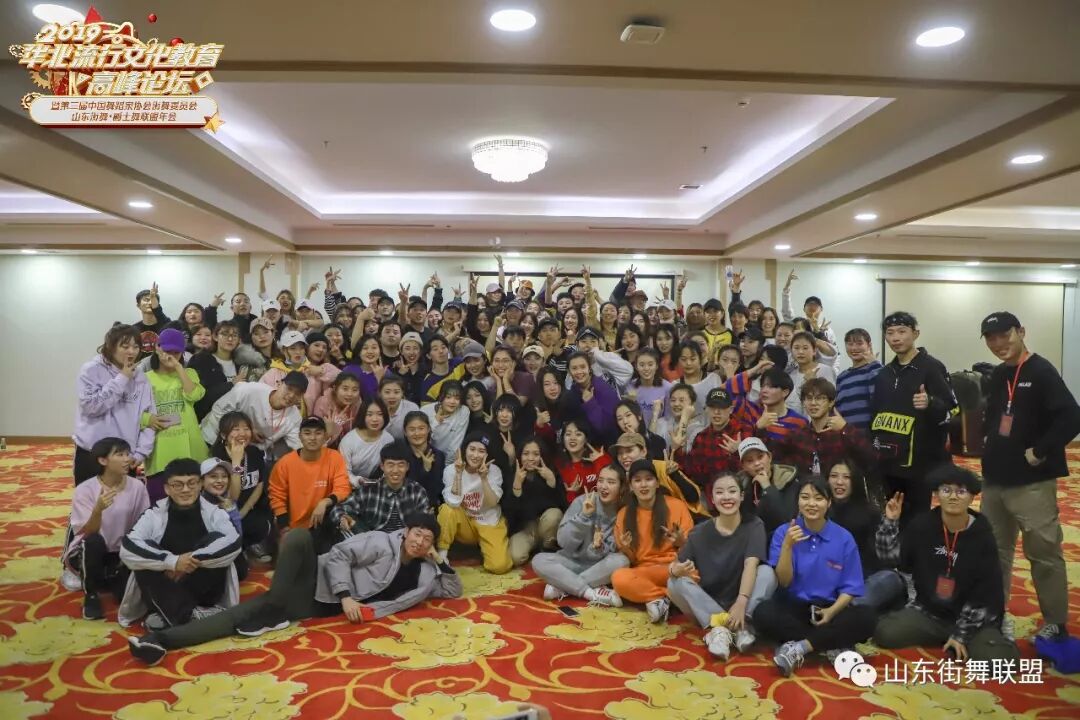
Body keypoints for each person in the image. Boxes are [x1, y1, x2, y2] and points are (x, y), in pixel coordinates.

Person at [128, 513, 461, 665]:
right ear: (406, 532)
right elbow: (339, 555)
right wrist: (346, 596)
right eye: (417, 533)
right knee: (300, 537)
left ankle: (159, 641)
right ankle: (274, 606)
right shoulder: (381, 542)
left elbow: (452, 589)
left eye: (427, 539)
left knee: (237, 617)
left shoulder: (424, 573)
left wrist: (439, 560)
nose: (420, 541)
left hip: (316, 604)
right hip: (315, 575)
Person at [978, 312, 1080, 641]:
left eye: (1004, 335)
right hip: (995, 482)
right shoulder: (998, 375)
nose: (998, 344)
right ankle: (995, 614)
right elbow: (995, 417)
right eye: (991, 338)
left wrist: (1041, 450)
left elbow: (1072, 416)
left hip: (1031, 483)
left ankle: (1055, 622)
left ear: (1021, 332)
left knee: (1043, 553)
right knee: (994, 552)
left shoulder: (1041, 371)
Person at [873, 465, 1021, 664]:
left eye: (961, 492)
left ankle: (970, 639)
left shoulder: (982, 535)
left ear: (972, 497)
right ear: (937, 494)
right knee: (885, 633)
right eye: (946, 490)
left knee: (1001, 661)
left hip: (973, 617)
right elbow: (891, 559)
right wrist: (890, 522)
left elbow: (984, 595)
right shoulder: (923, 525)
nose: (953, 497)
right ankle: (945, 637)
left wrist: (961, 634)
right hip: (932, 612)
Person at [752, 476, 877, 676]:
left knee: (867, 617)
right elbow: (784, 581)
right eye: (805, 497)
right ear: (798, 501)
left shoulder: (843, 538)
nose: (811, 503)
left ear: (828, 503)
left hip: (829, 609)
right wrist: (787, 546)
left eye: (818, 498)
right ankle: (830, 642)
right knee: (762, 613)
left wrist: (831, 612)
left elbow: (851, 587)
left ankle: (801, 647)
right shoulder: (784, 532)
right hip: (794, 607)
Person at [118, 458, 242, 630]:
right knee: (144, 555)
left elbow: (234, 542)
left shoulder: (215, 512)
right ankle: (189, 616)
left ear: (200, 485)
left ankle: (170, 615)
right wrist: (172, 562)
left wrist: (187, 562)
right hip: (166, 587)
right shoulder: (153, 514)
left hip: (202, 587)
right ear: (167, 488)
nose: (185, 490)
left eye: (191, 483)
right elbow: (128, 548)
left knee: (216, 539)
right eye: (177, 485)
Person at [666, 472, 777, 660]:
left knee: (767, 572)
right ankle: (729, 628)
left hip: (743, 600)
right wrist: (674, 569)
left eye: (732, 491)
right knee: (673, 583)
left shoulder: (754, 525)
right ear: (712, 499)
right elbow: (675, 564)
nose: (726, 497)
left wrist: (741, 602)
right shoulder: (699, 532)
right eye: (719, 492)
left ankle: (737, 625)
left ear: (741, 496)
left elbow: (751, 565)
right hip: (710, 602)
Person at [870, 311, 958, 520]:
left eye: (902, 331)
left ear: (915, 334)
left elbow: (953, 409)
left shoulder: (932, 367)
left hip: (919, 466)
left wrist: (931, 403)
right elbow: (876, 417)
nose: (896, 338)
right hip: (887, 461)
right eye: (890, 333)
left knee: (917, 521)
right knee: (891, 518)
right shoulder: (884, 374)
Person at [62, 438, 151, 620]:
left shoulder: (137, 487)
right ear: (103, 460)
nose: (127, 459)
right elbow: (88, 532)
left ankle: (113, 577)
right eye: (120, 454)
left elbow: (142, 524)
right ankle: (91, 595)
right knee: (94, 542)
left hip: (120, 553)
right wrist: (98, 510)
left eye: (128, 454)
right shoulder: (85, 490)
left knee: (123, 595)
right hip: (90, 551)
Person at [532, 462, 628, 607]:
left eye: (611, 482)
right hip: (571, 562)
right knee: (539, 560)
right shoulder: (582, 501)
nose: (604, 486)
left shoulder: (623, 512)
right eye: (601, 480)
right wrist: (584, 516)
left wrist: (598, 547)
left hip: (599, 567)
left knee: (622, 561)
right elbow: (564, 542)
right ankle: (590, 593)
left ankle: (563, 585)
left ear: (621, 487)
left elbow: (611, 551)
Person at [612, 459, 695, 623]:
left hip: (675, 567)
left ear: (657, 483)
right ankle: (664, 598)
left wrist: (681, 542)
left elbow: (692, 551)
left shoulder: (676, 505)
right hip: (645, 572)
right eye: (637, 480)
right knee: (619, 578)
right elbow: (632, 560)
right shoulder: (624, 514)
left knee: (693, 576)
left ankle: (651, 597)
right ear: (631, 486)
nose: (643, 485)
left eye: (648, 479)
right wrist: (626, 548)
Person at [74, 324, 156, 485]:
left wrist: (141, 452)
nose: (131, 352)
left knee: (125, 499)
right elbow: (91, 407)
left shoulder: (140, 377)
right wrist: (122, 378)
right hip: (92, 451)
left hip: (125, 455)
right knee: (89, 498)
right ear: (111, 347)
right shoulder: (91, 370)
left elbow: (149, 416)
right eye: (125, 347)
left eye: (136, 347)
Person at [826, 460, 904, 610]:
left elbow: (889, 559)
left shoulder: (869, 512)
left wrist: (890, 522)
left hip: (864, 577)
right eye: (834, 476)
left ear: (855, 481)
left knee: (890, 578)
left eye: (846, 477)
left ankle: (844, 607)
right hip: (829, 576)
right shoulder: (818, 510)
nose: (839, 482)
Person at [268, 416, 352, 551]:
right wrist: (284, 528)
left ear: (325, 437)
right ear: (300, 436)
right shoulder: (285, 463)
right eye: (307, 433)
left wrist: (324, 502)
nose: (312, 438)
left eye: (318, 433)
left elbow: (343, 488)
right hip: (296, 526)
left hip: (326, 521)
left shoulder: (334, 457)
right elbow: (276, 496)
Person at [436, 432, 513, 574]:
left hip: (488, 520)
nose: (475, 455)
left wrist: (484, 479)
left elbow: (492, 503)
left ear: (487, 454)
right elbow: (453, 502)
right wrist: (458, 474)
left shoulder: (494, 471)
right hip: (464, 522)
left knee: (500, 566)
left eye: (481, 451)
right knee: (447, 510)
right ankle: (441, 556)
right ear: (465, 450)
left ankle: (485, 549)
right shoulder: (451, 470)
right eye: (472, 449)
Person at [769, 378, 874, 477]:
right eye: (809, 398)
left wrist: (845, 428)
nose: (813, 403)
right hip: (806, 488)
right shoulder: (797, 435)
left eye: (819, 398)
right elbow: (772, 457)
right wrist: (761, 427)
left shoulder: (843, 433)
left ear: (831, 402)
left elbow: (871, 458)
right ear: (803, 403)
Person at [143, 329, 209, 477]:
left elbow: (193, 395)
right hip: (160, 446)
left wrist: (178, 367)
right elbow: (133, 412)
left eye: (176, 352)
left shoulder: (189, 373)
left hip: (190, 445)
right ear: (157, 348)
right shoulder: (145, 378)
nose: (171, 356)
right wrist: (147, 419)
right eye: (167, 351)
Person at [208, 411, 272, 562]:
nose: (242, 433)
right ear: (224, 435)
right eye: (236, 429)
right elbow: (232, 497)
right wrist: (236, 463)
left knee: (262, 525)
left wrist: (245, 510)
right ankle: (237, 549)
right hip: (225, 512)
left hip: (248, 509)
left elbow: (260, 483)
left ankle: (248, 545)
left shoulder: (254, 452)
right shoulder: (217, 458)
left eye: (246, 428)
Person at [200, 371, 306, 461]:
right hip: (212, 439)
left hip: (246, 454)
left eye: (298, 393)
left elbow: (298, 447)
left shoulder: (294, 417)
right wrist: (248, 431)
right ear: (279, 384)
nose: (291, 395)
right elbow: (218, 410)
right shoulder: (250, 390)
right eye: (289, 388)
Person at [332, 442, 433, 536]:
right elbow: (338, 508)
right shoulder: (369, 490)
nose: (395, 470)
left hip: (405, 542)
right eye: (390, 465)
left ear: (407, 467)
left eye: (401, 465)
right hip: (373, 541)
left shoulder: (417, 491)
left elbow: (425, 523)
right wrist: (342, 518)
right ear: (382, 466)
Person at [675, 388, 754, 504]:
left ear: (731, 409)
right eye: (712, 407)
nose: (717, 412)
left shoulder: (743, 431)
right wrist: (678, 449)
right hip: (712, 500)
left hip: (741, 499)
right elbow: (692, 473)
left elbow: (753, 469)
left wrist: (738, 453)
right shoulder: (701, 437)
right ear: (706, 409)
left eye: (721, 408)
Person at [503, 439, 568, 567]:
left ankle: (547, 547)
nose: (531, 458)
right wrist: (517, 487)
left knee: (554, 515)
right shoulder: (512, 474)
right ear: (520, 455)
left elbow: (562, 506)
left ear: (542, 456)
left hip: (545, 525)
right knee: (515, 557)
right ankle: (535, 548)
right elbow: (509, 513)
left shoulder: (550, 472)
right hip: (524, 528)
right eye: (526, 454)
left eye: (536, 454)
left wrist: (552, 483)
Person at [735, 438, 799, 536]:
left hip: (782, 537)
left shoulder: (788, 480)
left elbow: (785, 519)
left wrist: (767, 487)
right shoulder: (741, 486)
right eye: (750, 461)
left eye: (760, 457)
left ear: (769, 457)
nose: (757, 463)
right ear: (743, 466)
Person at [338, 397, 396, 486]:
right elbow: (343, 472)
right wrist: (358, 481)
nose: (375, 419)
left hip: (377, 486)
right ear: (363, 416)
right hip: (349, 486)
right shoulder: (348, 441)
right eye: (369, 414)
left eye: (380, 414)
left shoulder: (388, 439)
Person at [834, 328, 883, 429]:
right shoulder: (842, 377)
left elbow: (880, 397)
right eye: (850, 344)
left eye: (859, 343)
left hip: (870, 432)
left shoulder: (876, 369)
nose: (854, 348)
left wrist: (874, 364)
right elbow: (837, 407)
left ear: (869, 345)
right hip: (845, 432)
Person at [401, 411, 447, 510]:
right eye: (412, 429)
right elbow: (402, 488)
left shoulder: (438, 456)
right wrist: (425, 470)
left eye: (421, 428)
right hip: (404, 507)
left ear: (429, 429)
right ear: (405, 432)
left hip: (431, 508)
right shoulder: (399, 455)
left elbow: (437, 489)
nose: (417, 433)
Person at [786, 331, 837, 415]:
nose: (800, 352)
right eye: (796, 348)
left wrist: (812, 383)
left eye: (805, 348)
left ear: (814, 351)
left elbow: (830, 399)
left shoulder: (825, 370)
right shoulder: (791, 376)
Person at [312, 372, 362, 447]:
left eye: (354, 390)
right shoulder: (323, 403)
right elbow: (316, 440)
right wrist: (337, 424)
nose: (350, 394)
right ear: (335, 388)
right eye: (345, 389)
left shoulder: (357, 403)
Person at [421, 380, 470, 455]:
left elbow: (455, 445)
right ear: (441, 397)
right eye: (448, 397)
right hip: (427, 454)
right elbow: (421, 438)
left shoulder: (463, 411)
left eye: (457, 398)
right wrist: (435, 422)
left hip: (450, 458)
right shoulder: (425, 411)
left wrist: (448, 462)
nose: (452, 402)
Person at [133, 284, 171, 360]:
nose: (150, 303)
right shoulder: (133, 329)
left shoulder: (166, 324)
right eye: (146, 300)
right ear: (138, 305)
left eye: (152, 300)